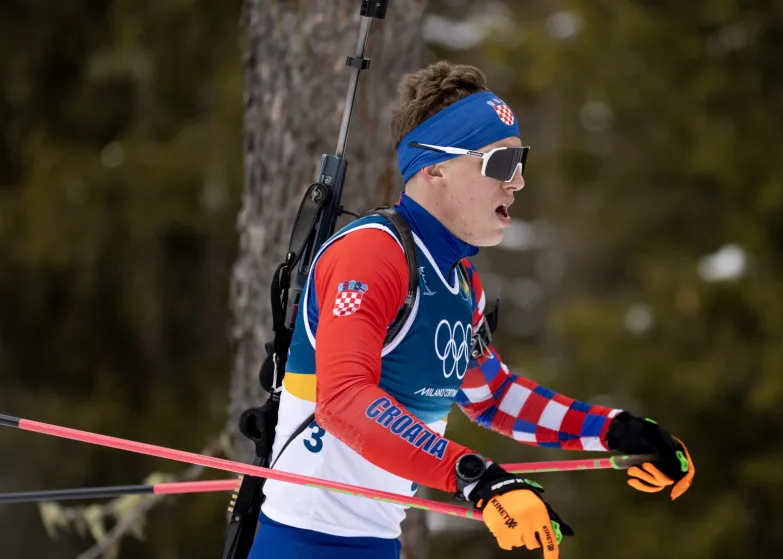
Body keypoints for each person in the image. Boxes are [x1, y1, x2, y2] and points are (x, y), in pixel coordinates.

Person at [248, 61, 695, 559]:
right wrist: (479, 480)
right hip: (305, 542)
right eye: (500, 164)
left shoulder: (460, 284)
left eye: (520, 161)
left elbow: (493, 397)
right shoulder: (373, 254)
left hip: (374, 544)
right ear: (434, 167)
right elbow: (343, 399)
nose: (518, 182)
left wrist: (618, 430)